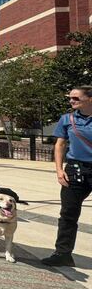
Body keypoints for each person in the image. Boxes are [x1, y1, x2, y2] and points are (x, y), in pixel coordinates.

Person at [42, 85, 92, 267]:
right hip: (75, 169)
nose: (71, 101)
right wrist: (59, 169)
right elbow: (60, 145)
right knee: (68, 214)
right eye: (70, 98)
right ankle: (62, 254)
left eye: (76, 98)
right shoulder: (67, 119)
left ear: (90, 99)